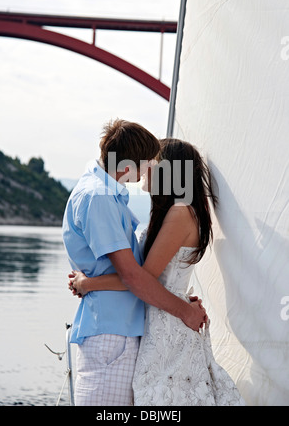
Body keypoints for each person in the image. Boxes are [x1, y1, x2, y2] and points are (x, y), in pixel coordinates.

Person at [69, 138, 245, 406]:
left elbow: (141, 278)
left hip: (167, 327)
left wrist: (89, 283)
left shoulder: (179, 213)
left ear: (170, 170)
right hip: (161, 319)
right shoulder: (175, 212)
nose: (144, 167)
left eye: (152, 161)